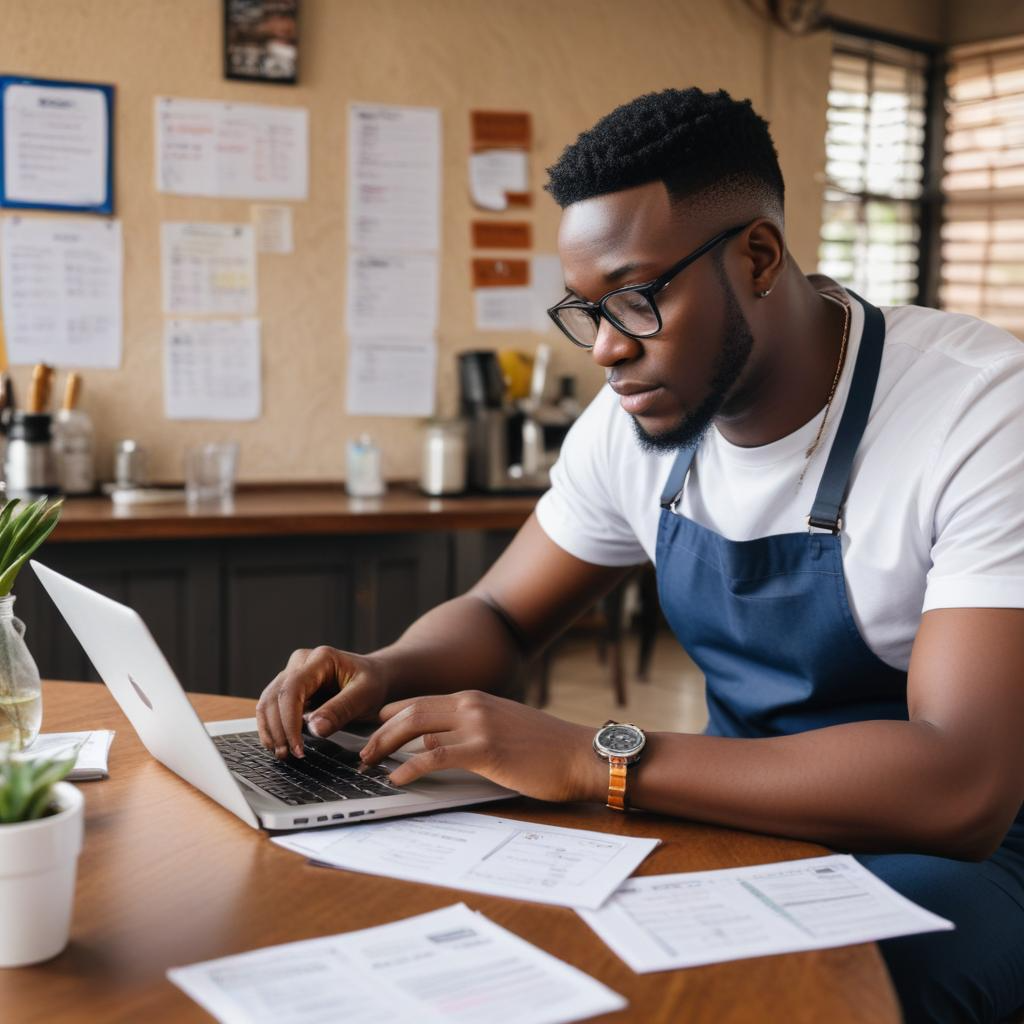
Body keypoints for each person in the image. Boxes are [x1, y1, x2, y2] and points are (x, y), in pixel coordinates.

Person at [257, 88, 1024, 1022]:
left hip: (964, 857)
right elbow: (502, 614)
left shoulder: (979, 411)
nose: (609, 350)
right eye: (585, 311)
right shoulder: (639, 418)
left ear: (758, 257)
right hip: (741, 816)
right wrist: (384, 670)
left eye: (636, 298)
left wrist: (596, 758)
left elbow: (963, 785)